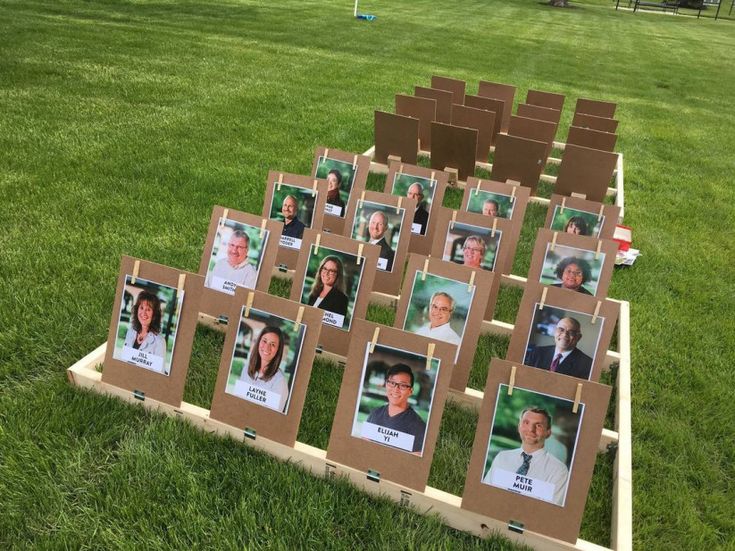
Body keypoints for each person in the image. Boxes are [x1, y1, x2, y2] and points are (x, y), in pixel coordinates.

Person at [483, 407, 569, 506]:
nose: (531, 429)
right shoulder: (502, 457)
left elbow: (548, 510)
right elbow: (486, 493)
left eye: (538, 425)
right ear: (519, 427)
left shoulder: (559, 471)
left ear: (548, 433)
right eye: (526, 423)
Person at [365, 363, 427, 453]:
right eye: (392, 383)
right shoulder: (375, 414)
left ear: (410, 391)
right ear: (386, 384)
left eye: (403, 385)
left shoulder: (418, 426)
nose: (396, 389)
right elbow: (364, 445)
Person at [524, 317, 593, 379]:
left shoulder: (588, 365)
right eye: (561, 329)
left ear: (578, 337)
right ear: (555, 332)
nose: (565, 334)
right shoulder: (537, 352)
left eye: (571, 332)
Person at [239, 326, 289, 411]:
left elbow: (272, 417)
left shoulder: (279, 382)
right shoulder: (247, 368)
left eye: (273, 344)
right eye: (264, 341)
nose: (267, 347)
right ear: (259, 342)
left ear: (278, 350)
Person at [123, 291, 166, 359]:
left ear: (154, 314)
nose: (143, 313)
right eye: (141, 308)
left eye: (148, 309)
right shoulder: (130, 332)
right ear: (137, 309)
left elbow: (159, 369)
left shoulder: (159, 342)